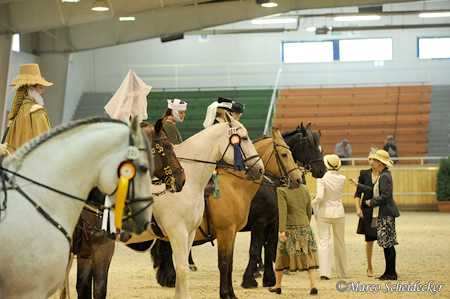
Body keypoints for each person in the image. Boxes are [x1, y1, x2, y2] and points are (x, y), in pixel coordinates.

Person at [349, 149, 399, 281]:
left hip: (386, 213)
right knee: (386, 244)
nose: (373, 162)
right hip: (383, 213)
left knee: (388, 244)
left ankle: (391, 272)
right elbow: (374, 191)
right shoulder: (384, 175)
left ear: (381, 163)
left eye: (375, 160)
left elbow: (385, 196)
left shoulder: (385, 176)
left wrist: (371, 202)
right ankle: (388, 272)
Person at [269, 182, 319, 295]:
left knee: (281, 256)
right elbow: (308, 209)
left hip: (289, 228)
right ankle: (313, 285)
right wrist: (306, 223)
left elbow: (283, 211)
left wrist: (281, 230)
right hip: (305, 227)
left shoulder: (281, 190)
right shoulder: (305, 188)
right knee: (309, 256)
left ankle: (278, 285)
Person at [311, 154, 348, 280]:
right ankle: (342, 272)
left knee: (323, 242)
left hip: (324, 213)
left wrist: (311, 205)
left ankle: (324, 273)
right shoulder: (342, 178)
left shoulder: (321, 178)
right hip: (338, 212)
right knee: (340, 242)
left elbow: (320, 197)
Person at [4, 63, 52, 154]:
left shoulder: (15, 112)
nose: (42, 91)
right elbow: (45, 146)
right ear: (31, 88)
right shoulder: (37, 112)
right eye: (40, 87)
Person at [349, 147, 379, 277]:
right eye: (370, 159)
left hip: (379, 209)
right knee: (370, 239)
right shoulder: (364, 173)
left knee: (383, 238)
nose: (371, 162)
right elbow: (358, 194)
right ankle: (369, 266)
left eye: (374, 159)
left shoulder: (383, 174)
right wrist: (357, 208)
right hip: (366, 210)